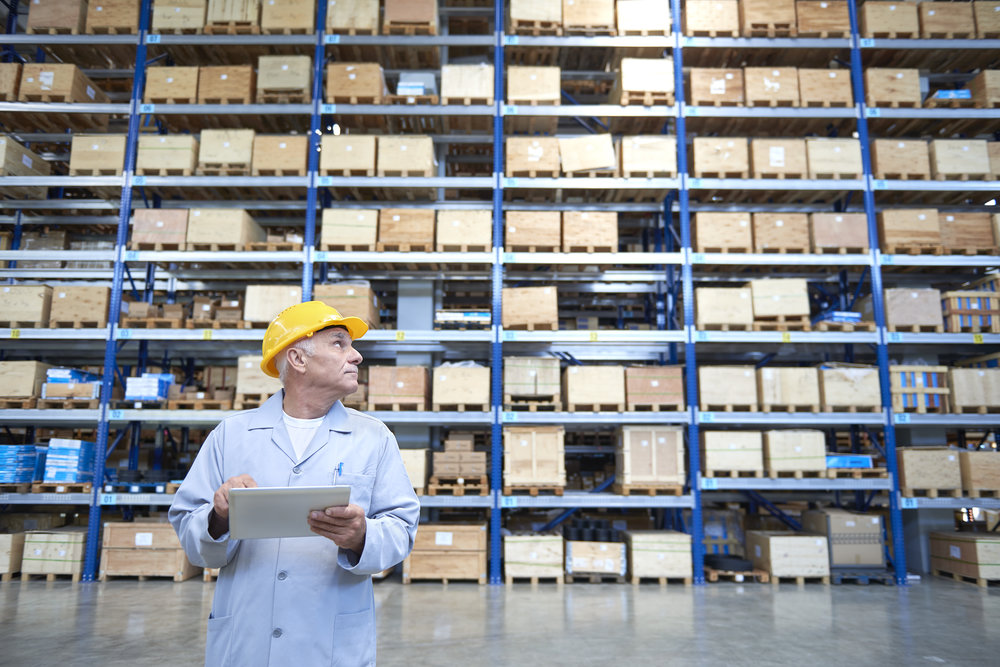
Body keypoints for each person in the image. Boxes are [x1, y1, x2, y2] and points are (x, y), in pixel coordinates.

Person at [169, 301, 420, 666]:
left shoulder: (373, 437)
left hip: (329, 643)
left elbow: (402, 529)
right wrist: (219, 517)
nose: (356, 357)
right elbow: (190, 532)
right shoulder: (233, 435)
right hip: (247, 639)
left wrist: (361, 536)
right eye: (339, 343)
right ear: (298, 360)